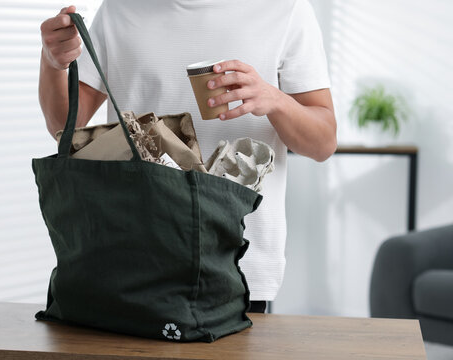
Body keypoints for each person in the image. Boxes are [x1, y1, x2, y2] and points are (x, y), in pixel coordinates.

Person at [39, 0, 337, 314]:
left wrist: (274, 99)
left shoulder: (285, 9)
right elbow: (66, 127)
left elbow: (323, 143)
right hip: (130, 256)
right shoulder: (119, 9)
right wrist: (53, 62)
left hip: (236, 263)